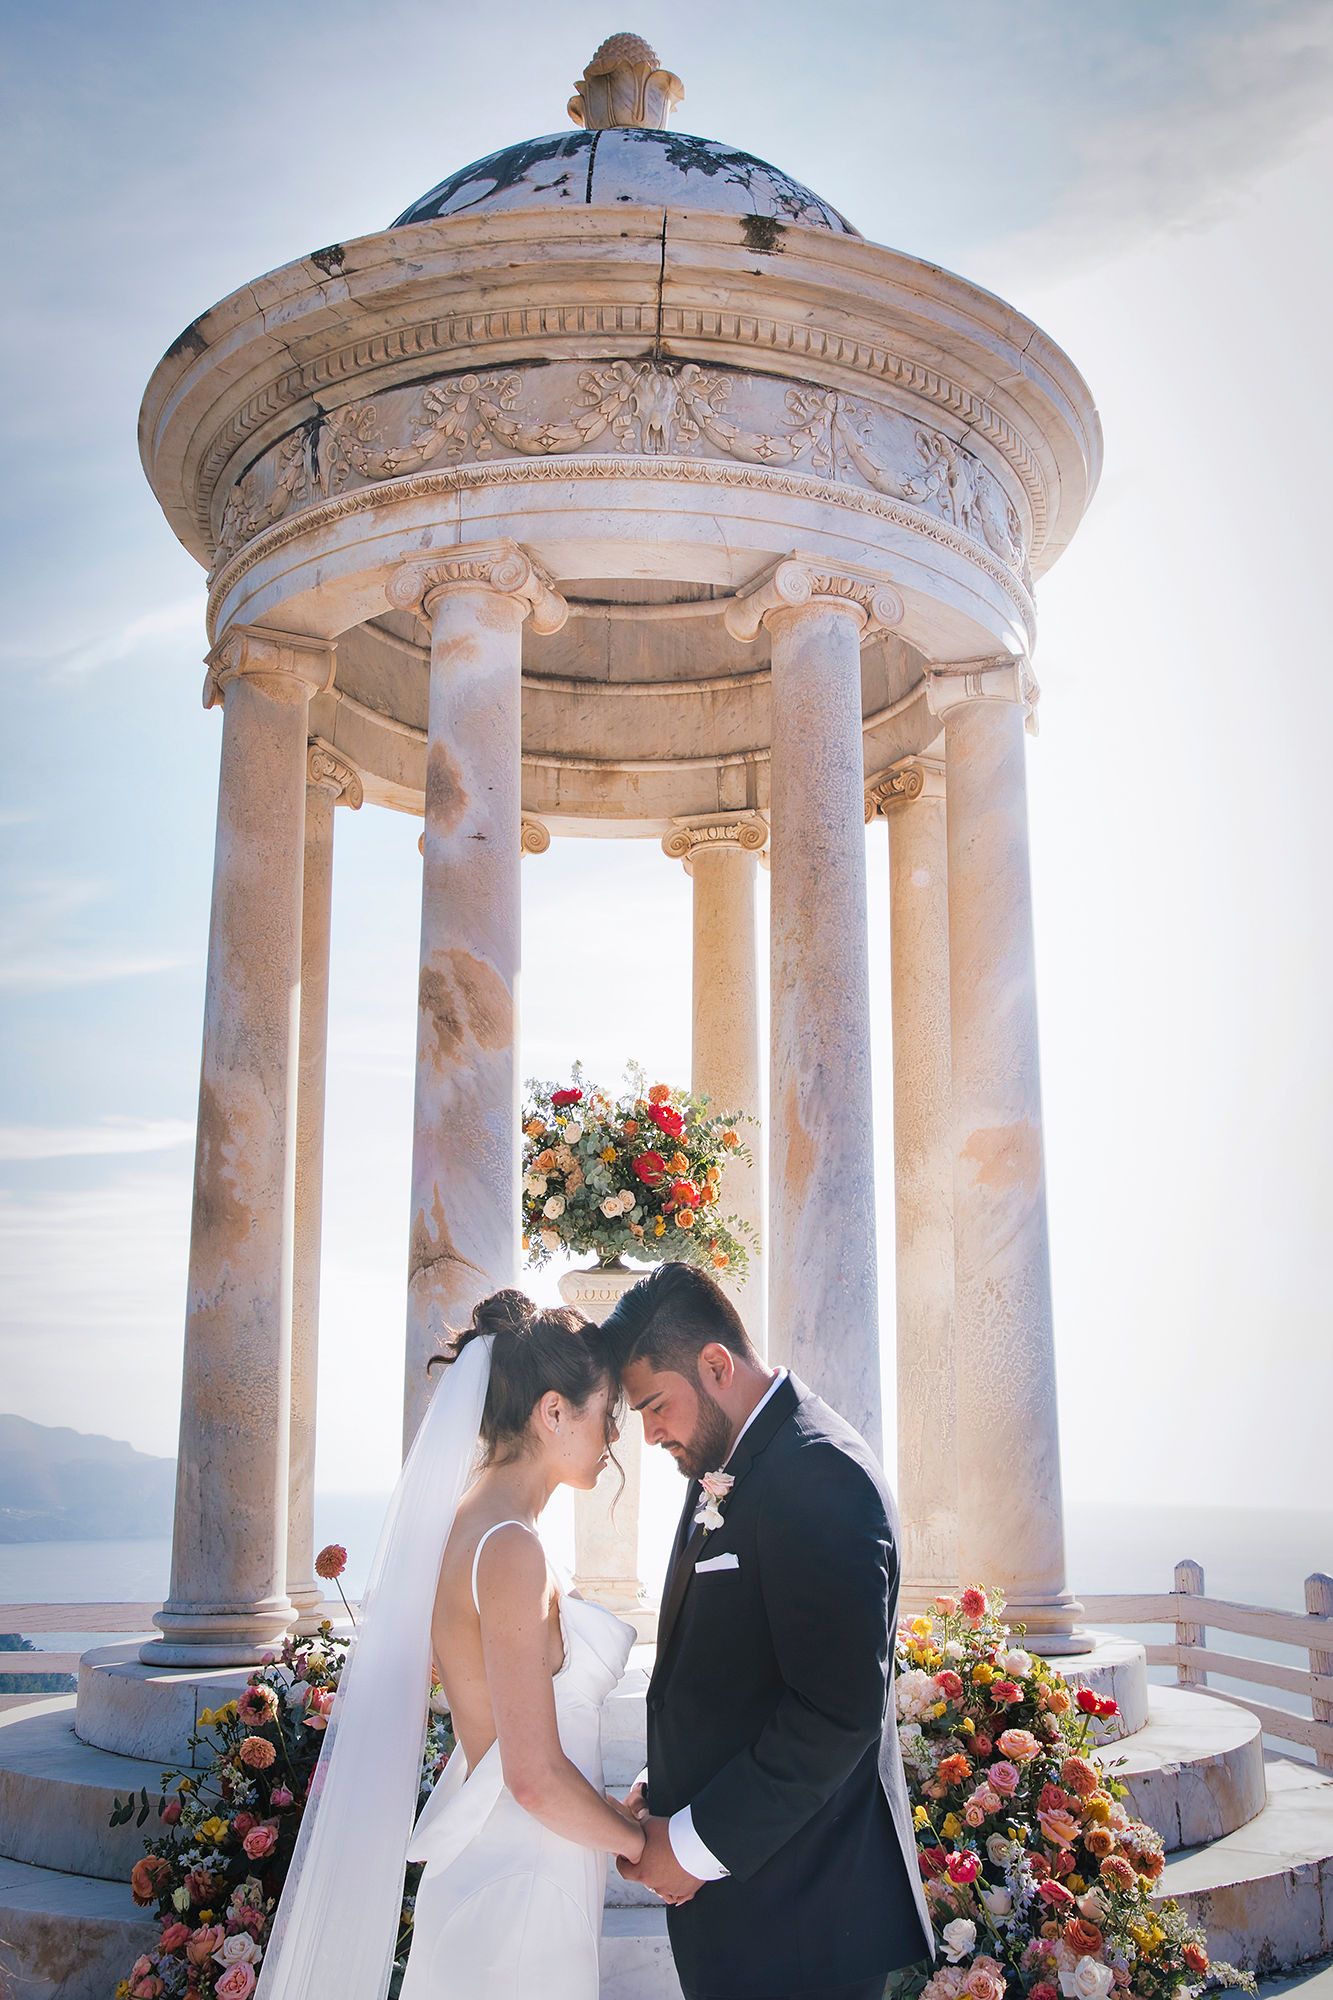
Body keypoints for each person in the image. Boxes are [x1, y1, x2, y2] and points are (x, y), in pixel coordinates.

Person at [255, 1290, 642, 2000]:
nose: (614, 1436)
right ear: (554, 1411)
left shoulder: (474, 1524)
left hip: (514, 1868)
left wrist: (613, 1816)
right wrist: (642, 1847)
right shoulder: (508, 1548)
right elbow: (529, 1775)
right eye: (606, 1413)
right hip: (522, 1890)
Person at [601, 1261, 936, 2000]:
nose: (650, 1433)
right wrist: (669, 1779)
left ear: (715, 1364)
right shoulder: (726, 1462)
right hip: (752, 1906)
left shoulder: (819, 1472)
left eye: (656, 1405)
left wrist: (689, 1848)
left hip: (805, 1921)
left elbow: (832, 1712)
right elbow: (741, 1666)